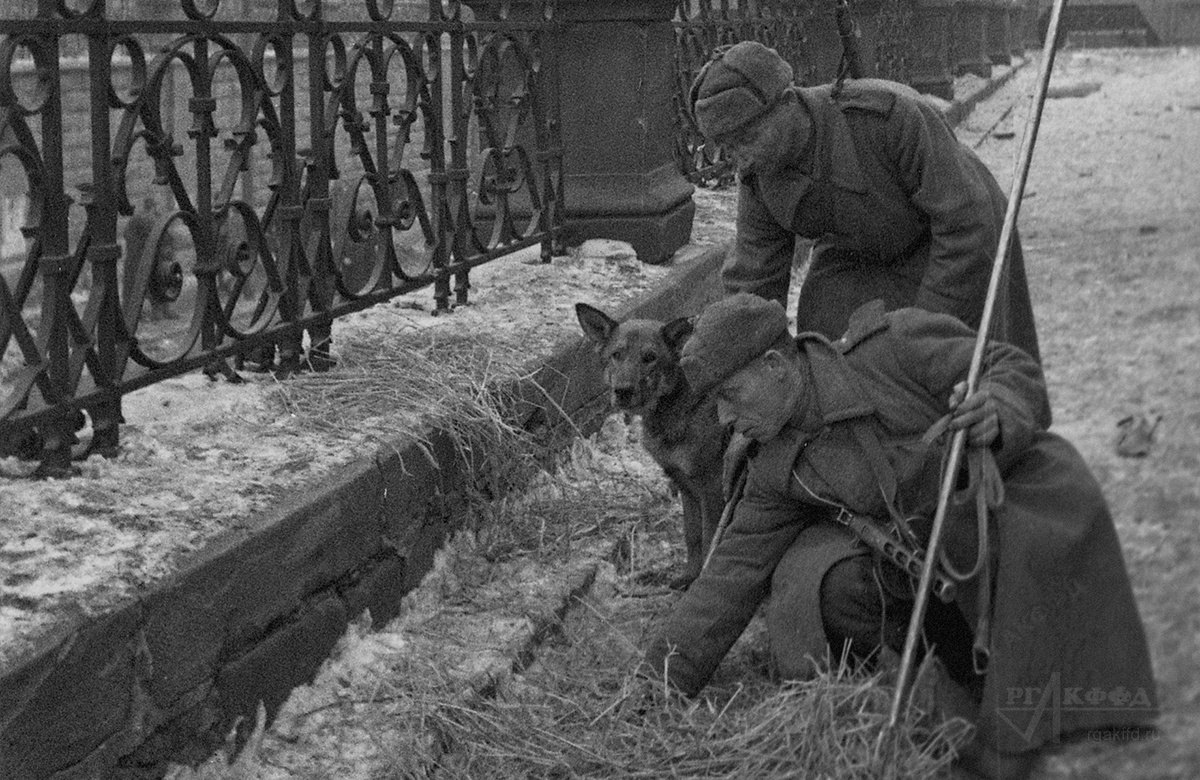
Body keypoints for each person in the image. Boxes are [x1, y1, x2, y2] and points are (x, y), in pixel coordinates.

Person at [641, 293, 1156, 780]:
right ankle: (964, 728)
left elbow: (1012, 369)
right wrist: (656, 679)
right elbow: (731, 574)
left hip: (998, 531)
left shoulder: (896, 344)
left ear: (776, 367)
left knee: (1037, 563)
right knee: (836, 590)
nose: (727, 419)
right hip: (927, 574)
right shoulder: (774, 465)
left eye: (730, 396)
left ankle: (1046, 691)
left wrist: (994, 408)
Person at [689, 41, 1041, 363]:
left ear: (786, 103)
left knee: (966, 367)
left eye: (747, 137)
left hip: (958, 232)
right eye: (727, 146)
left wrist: (920, 337)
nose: (741, 159)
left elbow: (965, 223)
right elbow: (754, 281)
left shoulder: (890, 116)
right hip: (862, 251)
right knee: (825, 336)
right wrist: (738, 362)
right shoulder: (760, 175)